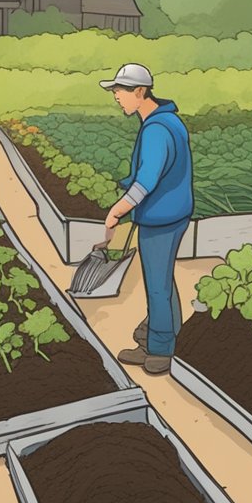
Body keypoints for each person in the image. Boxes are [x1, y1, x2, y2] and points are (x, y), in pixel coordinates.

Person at [97, 63, 193, 375]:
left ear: (140, 92)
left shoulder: (156, 130)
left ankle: (160, 350)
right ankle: (162, 335)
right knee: (161, 279)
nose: (116, 97)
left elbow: (146, 181)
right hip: (170, 213)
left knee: (156, 284)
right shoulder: (166, 121)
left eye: (120, 91)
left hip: (162, 217)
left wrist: (117, 211)